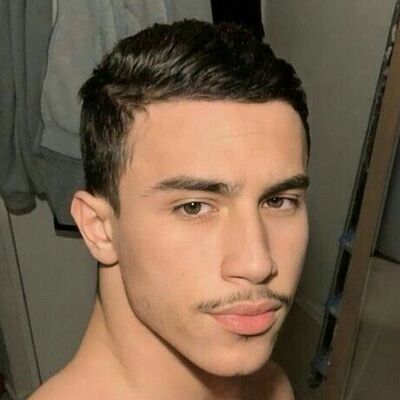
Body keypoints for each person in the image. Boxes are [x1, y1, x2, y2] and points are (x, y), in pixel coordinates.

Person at [30, 19, 310, 400]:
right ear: (99, 228)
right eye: (194, 207)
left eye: (278, 201)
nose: (257, 263)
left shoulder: (270, 387)